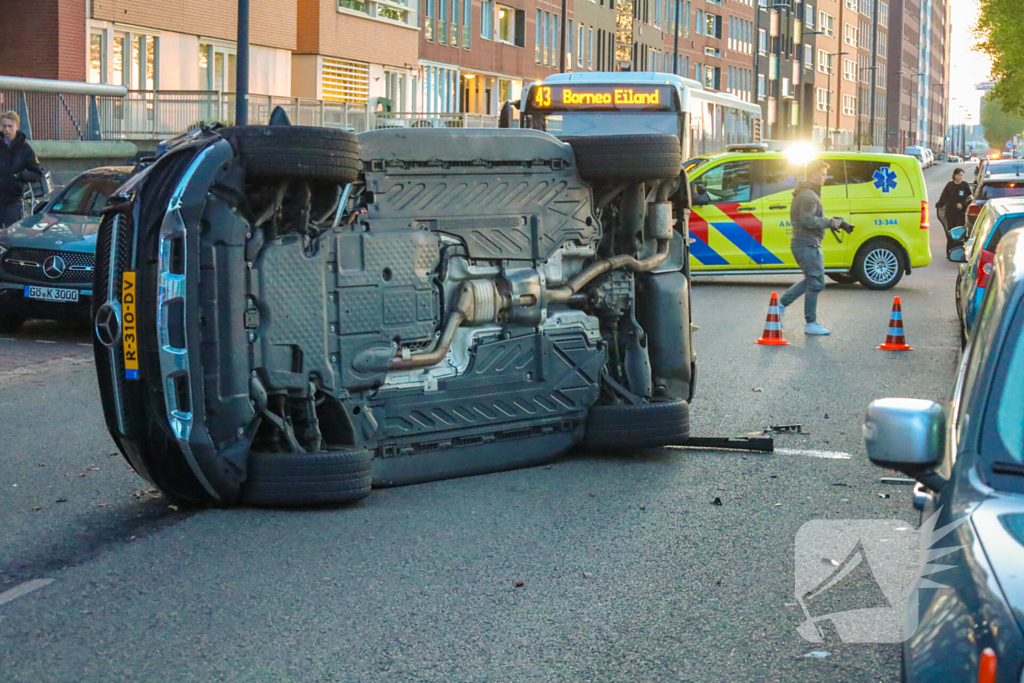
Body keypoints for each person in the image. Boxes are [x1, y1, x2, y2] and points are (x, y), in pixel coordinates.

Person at [778, 159, 844, 336]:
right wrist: (830, 222)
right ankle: (810, 322)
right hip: (807, 244)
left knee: (813, 280)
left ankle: (781, 306)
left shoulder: (807, 193)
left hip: (806, 243)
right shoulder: (808, 196)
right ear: (814, 174)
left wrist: (832, 223)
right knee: (815, 282)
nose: (825, 178)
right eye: (823, 174)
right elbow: (807, 219)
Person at [0, 111, 42, 229]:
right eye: (4, 126)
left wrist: (20, 176)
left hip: (13, 198)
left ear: (17, 127)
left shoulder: (25, 149)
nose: (7, 130)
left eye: (10, 126)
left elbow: (37, 173)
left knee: (11, 232)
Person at [935, 167, 971, 247]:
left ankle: (959, 247)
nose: (960, 177)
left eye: (961, 175)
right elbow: (944, 196)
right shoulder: (950, 185)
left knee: (959, 230)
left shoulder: (965, 185)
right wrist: (939, 204)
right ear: (954, 175)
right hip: (950, 213)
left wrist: (962, 204)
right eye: (959, 175)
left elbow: (969, 198)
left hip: (961, 214)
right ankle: (950, 248)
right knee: (950, 230)